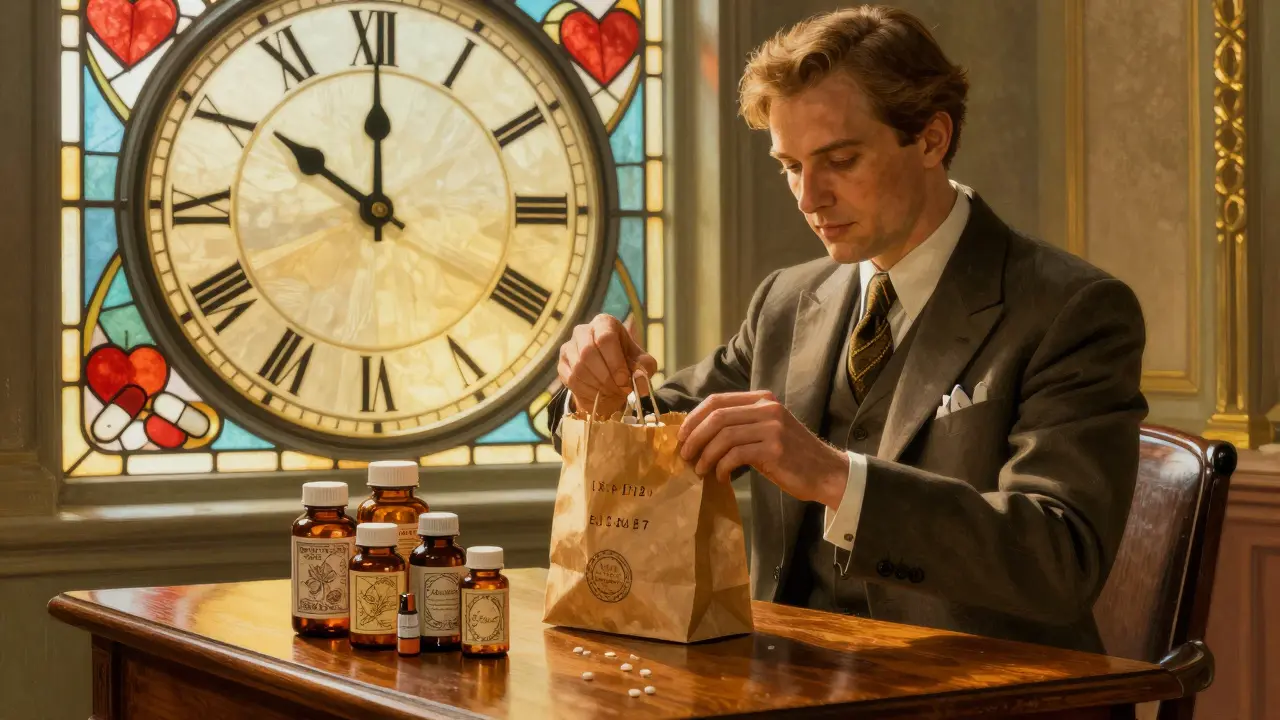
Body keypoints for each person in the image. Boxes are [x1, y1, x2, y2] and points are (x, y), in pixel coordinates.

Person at [548, 4, 1146, 654]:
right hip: (784, 677)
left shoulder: (1072, 310)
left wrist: (837, 477)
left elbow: (1060, 558)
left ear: (931, 139)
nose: (810, 198)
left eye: (840, 160)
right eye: (790, 166)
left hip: (985, 686)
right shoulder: (786, 301)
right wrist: (598, 394)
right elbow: (663, 427)